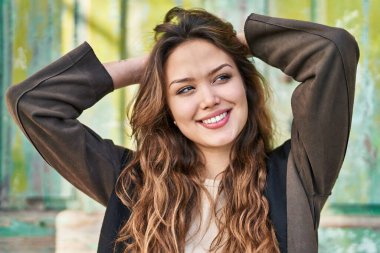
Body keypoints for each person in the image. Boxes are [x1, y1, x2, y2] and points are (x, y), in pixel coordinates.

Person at [6, 6, 359, 253]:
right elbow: (33, 104)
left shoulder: (297, 175)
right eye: (185, 88)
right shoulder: (131, 183)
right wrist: (148, 66)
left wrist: (229, 42)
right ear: (168, 108)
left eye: (222, 77)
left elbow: (332, 51)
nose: (209, 99)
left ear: (245, 87)